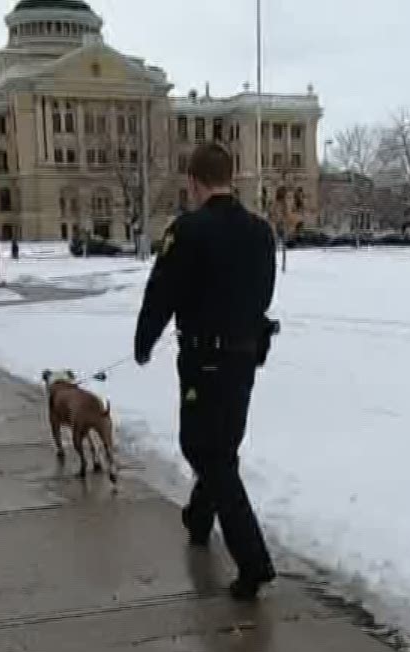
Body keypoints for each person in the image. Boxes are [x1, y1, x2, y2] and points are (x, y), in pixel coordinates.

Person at [134, 142, 279, 601]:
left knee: (204, 449)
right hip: (243, 357)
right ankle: (199, 518)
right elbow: (263, 293)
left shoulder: (188, 230)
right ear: (230, 177)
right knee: (222, 447)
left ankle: (253, 561)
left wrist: (144, 342)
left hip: (204, 359)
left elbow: (162, 293)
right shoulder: (260, 231)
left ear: (194, 182)